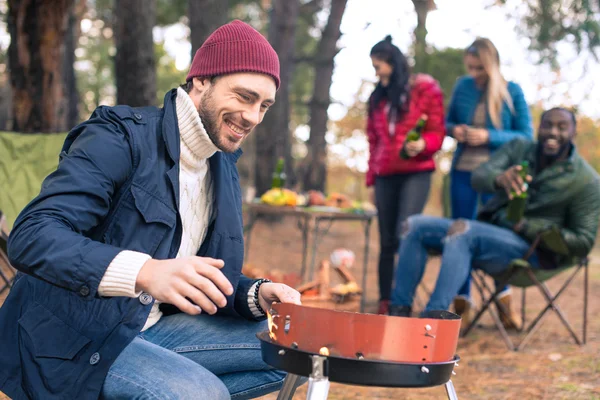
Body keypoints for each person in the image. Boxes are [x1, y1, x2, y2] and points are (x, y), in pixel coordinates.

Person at [0, 20, 302, 400]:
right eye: (244, 97)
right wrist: (143, 271)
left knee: (299, 352)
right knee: (200, 393)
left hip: (153, 330)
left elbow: (190, 274)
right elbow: (33, 235)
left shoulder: (221, 166)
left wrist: (255, 295)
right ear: (201, 81)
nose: (254, 117)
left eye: (264, 106)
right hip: (72, 337)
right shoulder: (120, 136)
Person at [388, 108, 600, 320]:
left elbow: (583, 241)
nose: (553, 132)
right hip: (490, 233)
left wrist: (527, 226)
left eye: (562, 127)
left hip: (534, 252)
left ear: (574, 133)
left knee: (464, 231)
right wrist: (499, 178)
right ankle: (398, 314)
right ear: (539, 128)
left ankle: (431, 323)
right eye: (547, 125)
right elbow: (479, 176)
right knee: (415, 225)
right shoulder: (519, 148)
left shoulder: (586, 181)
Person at [445, 38, 533, 326]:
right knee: (460, 234)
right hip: (463, 175)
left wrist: (488, 136)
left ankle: (503, 298)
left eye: (479, 68)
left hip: (498, 179)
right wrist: (455, 130)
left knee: (496, 236)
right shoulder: (463, 87)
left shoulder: (512, 91)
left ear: (492, 64)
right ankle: (463, 301)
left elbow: (526, 136)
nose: (474, 74)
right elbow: (446, 124)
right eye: (470, 68)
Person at [365, 35, 445, 315]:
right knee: (386, 240)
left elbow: (437, 131)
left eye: (379, 67)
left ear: (393, 63)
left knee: (405, 233)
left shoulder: (424, 88)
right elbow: (373, 141)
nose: (376, 73)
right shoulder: (377, 98)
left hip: (416, 173)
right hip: (385, 175)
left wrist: (424, 145)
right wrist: (371, 180)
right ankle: (385, 301)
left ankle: (403, 300)